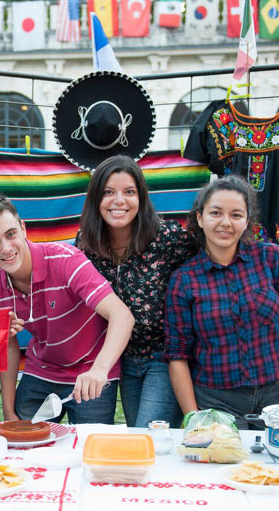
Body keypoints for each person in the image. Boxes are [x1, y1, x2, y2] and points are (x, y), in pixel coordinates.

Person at [0, 195, 135, 424]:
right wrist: (8, 411)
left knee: (88, 449)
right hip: (42, 369)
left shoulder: (66, 260)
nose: (6, 248)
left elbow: (122, 316)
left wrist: (100, 369)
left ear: (23, 229)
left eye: (10, 234)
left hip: (89, 368)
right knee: (24, 443)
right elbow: (8, 343)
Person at [164, 175, 279, 429]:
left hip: (276, 397)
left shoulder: (272, 259)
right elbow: (178, 354)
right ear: (200, 218)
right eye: (216, 213)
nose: (225, 223)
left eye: (236, 215)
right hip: (215, 401)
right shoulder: (183, 279)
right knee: (224, 467)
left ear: (247, 221)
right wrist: (194, 418)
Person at [76, 155, 196, 428]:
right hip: (122, 359)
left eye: (129, 192)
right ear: (96, 199)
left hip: (164, 358)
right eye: (108, 192)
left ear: (141, 197)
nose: (119, 201)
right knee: (135, 433)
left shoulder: (167, 237)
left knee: (147, 436)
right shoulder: (86, 242)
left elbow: (204, 268)